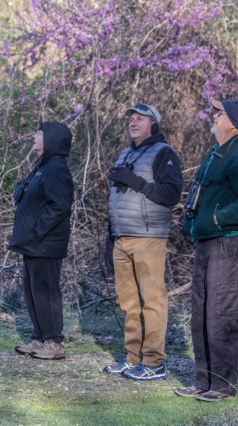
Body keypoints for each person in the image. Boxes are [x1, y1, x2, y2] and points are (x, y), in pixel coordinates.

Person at [175, 98, 238, 402]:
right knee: (201, 311)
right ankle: (204, 381)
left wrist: (217, 218)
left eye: (219, 112)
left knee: (220, 312)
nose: (213, 116)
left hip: (227, 242)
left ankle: (223, 384)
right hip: (206, 241)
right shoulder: (216, 153)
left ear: (234, 122)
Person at [103, 103, 183, 380]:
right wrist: (110, 236)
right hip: (122, 237)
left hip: (149, 238)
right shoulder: (126, 153)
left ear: (154, 124)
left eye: (141, 118)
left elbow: (171, 195)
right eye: (132, 118)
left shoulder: (164, 153)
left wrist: (136, 181)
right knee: (129, 303)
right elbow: (116, 201)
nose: (133, 122)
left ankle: (153, 362)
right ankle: (132, 358)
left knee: (152, 300)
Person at [9, 121, 74, 360]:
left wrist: (38, 230)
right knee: (33, 290)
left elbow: (60, 206)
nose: (35, 136)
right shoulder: (43, 166)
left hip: (46, 242)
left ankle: (54, 342)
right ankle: (39, 337)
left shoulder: (57, 168)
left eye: (39, 133)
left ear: (52, 139)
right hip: (33, 243)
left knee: (46, 291)